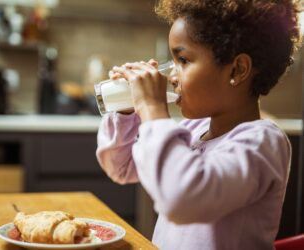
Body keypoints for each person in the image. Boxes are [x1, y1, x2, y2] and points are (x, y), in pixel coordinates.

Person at [96, 0, 302, 249]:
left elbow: (182, 197)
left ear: (237, 69)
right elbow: (121, 167)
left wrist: (152, 109)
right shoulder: (193, 131)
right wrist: (128, 111)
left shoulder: (262, 143)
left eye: (183, 60)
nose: (171, 76)